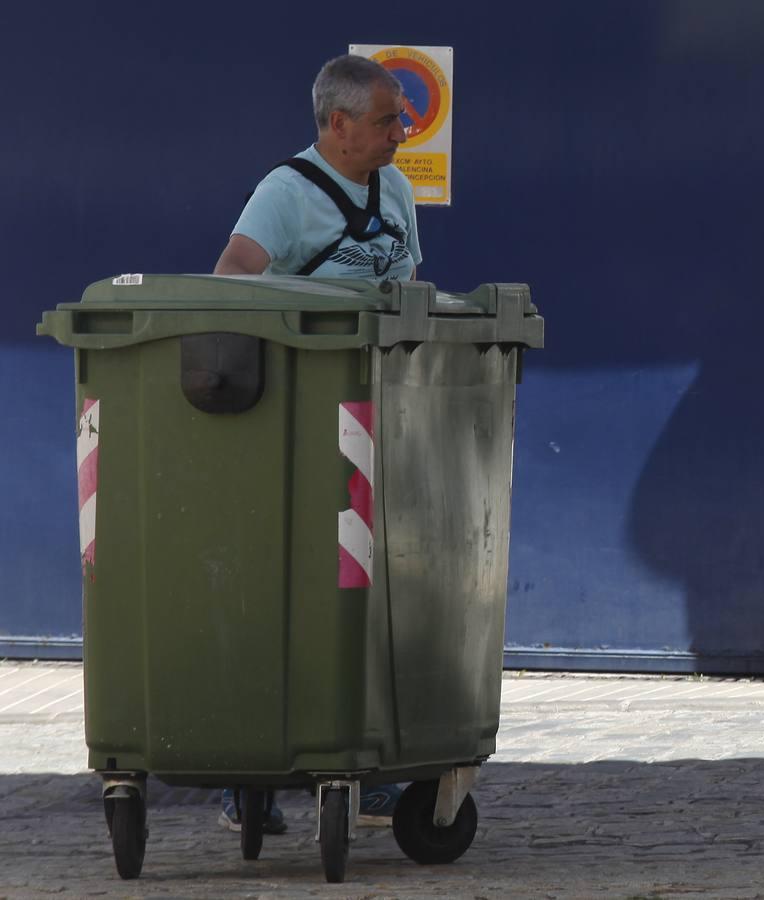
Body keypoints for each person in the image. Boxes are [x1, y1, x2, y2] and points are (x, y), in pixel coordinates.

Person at [212, 53, 420, 833]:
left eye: (400, 118)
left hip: (379, 419)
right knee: (288, 597)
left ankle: (359, 763)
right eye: (384, 121)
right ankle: (248, 773)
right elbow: (231, 280)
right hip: (302, 431)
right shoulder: (286, 194)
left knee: (368, 604)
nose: (399, 132)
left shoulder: (394, 188)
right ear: (335, 124)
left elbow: (406, 289)